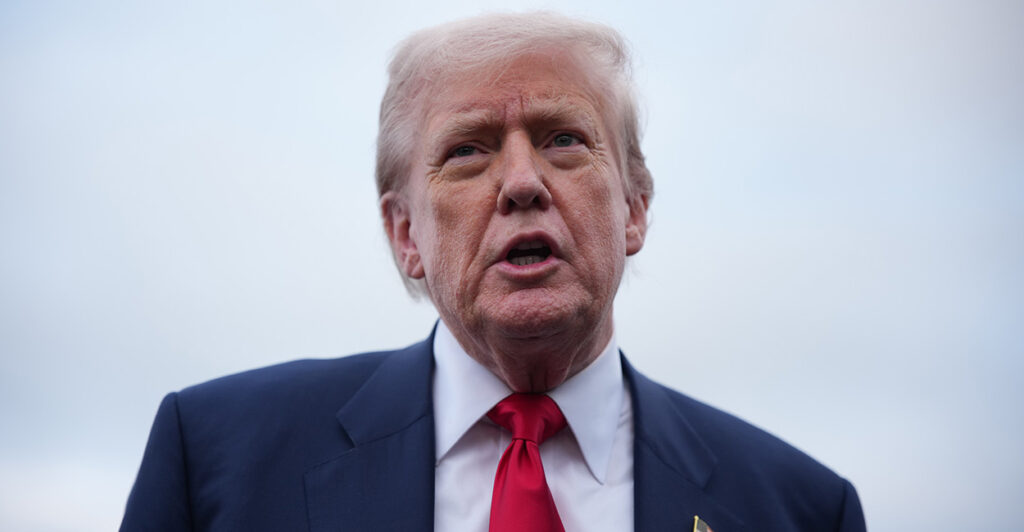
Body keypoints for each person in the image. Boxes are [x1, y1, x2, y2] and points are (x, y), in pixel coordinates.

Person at [121, 12, 866, 532]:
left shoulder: (799, 511)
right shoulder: (215, 460)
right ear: (405, 232)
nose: (521, 181)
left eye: (564, 139)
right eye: (469, 150)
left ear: (635, 208)